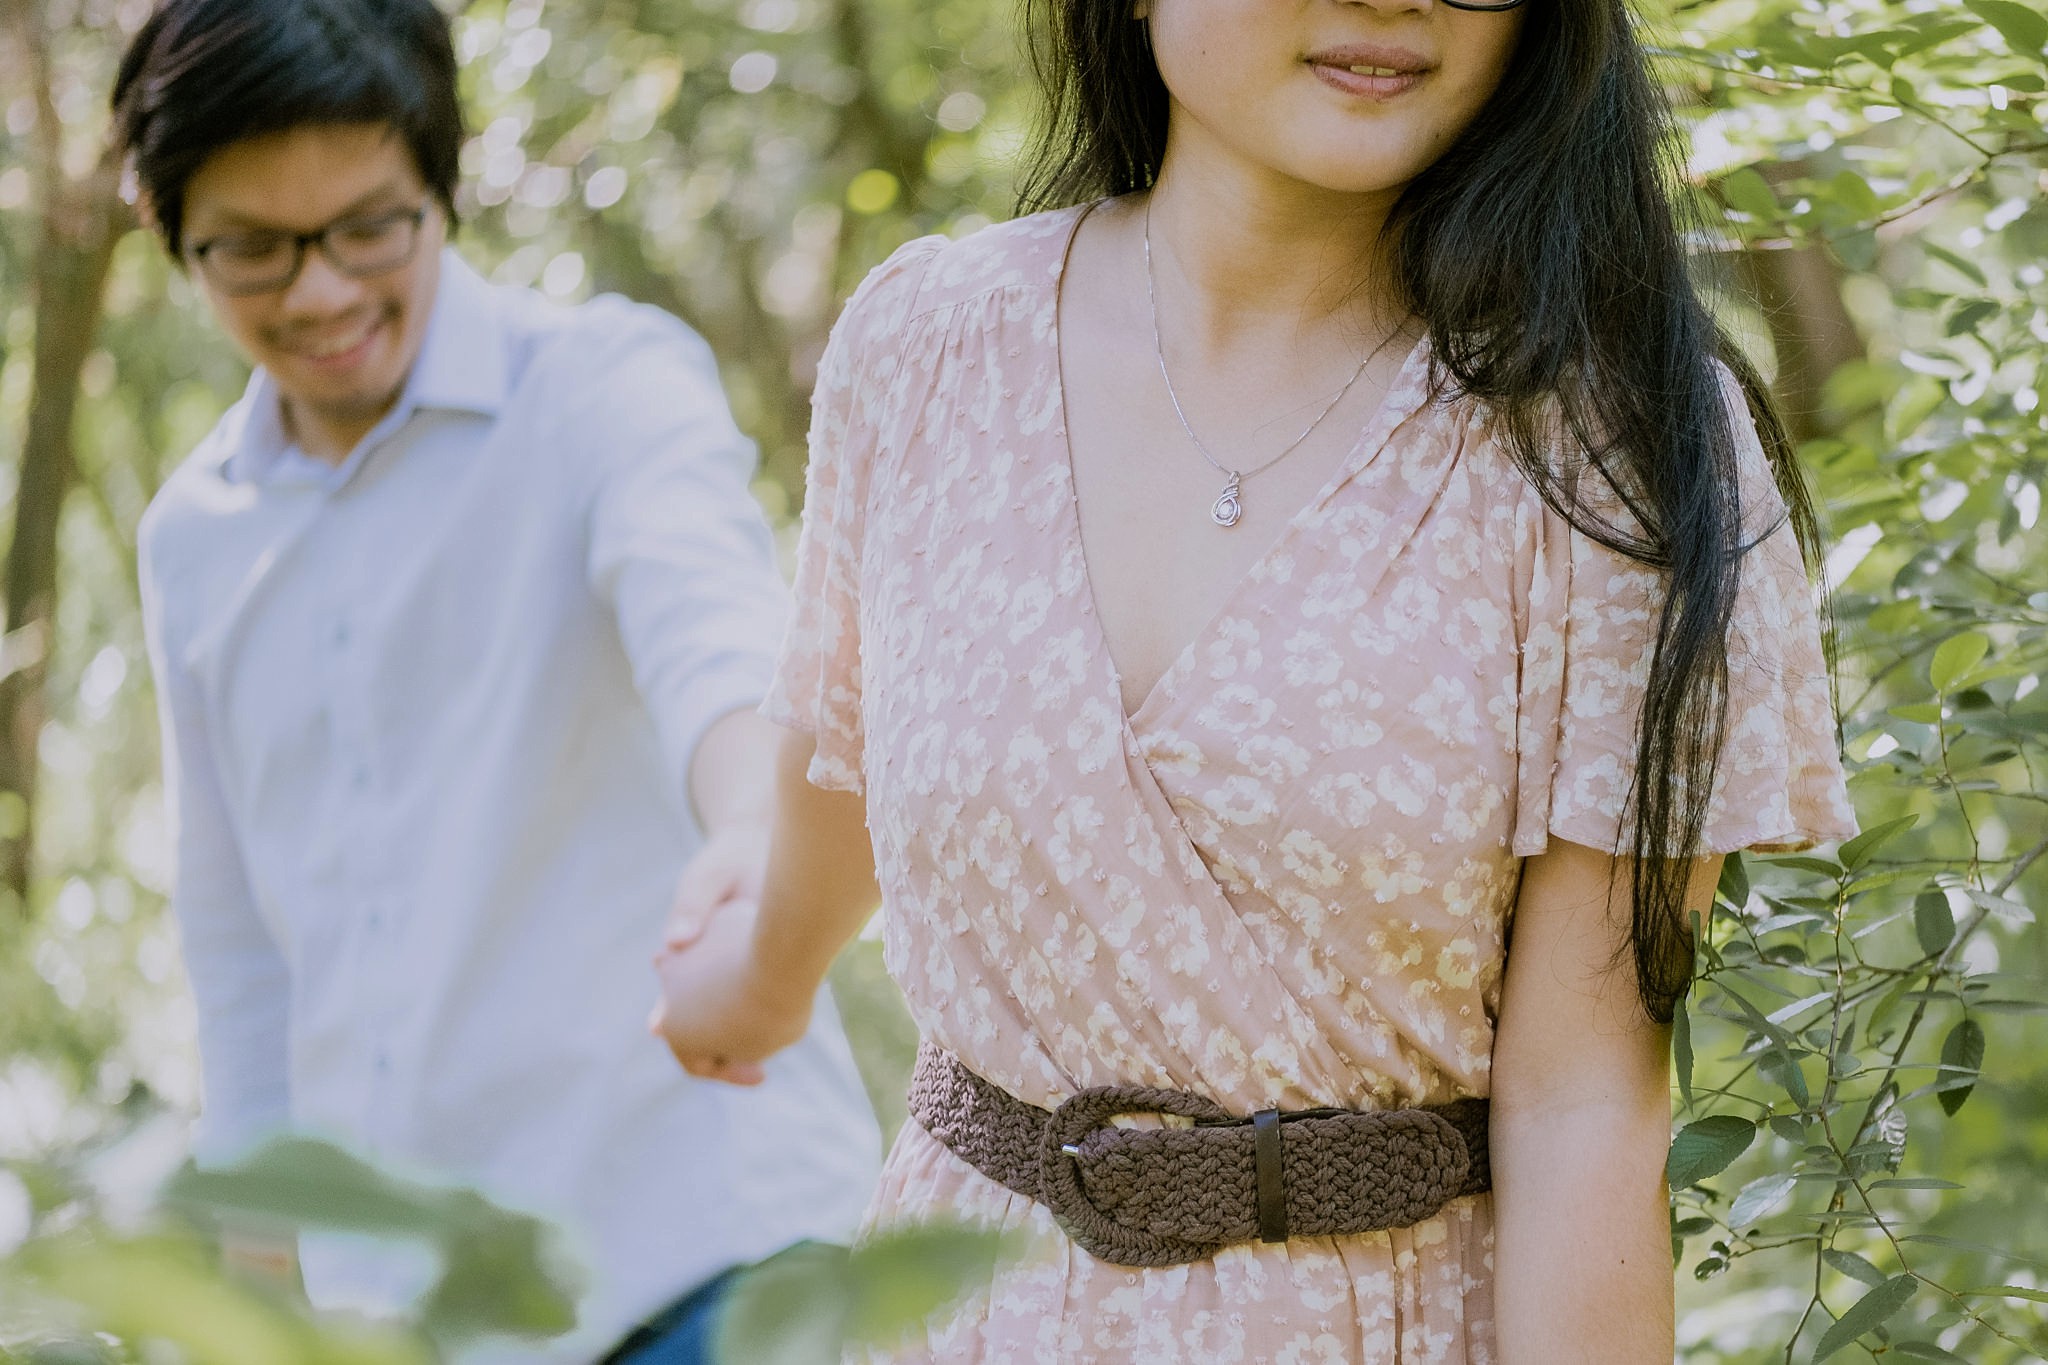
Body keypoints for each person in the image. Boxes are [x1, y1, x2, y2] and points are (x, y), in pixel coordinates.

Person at [650, 0, 1858, 1358]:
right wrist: (749, 985)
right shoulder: (929, 344)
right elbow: (843, 778)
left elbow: (1584, 1097)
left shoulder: (1616, 449)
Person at [116, 1, 880, 1360]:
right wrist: (252, 1295)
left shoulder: (602, 389)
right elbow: (241, 952)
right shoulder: (194, 541)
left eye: (368, 226)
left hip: (701, 1249)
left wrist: (755, 834)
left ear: (440, 191)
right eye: (252, 249)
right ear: (173, 236)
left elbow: (714, 632)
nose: (319, 291)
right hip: (413, 1312)